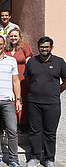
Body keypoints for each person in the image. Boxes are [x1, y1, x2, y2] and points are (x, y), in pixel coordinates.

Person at [24, 36, 66, 167]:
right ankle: (35, 157)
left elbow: (65, 81)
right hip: (34, 102)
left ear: (51, 48)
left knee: (50, 133)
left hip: (52, 103)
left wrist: (55, 91)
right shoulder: (32, 61)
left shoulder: (59, 62)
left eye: (47, 47)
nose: (44, 49)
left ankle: (49, 159)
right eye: (42, 47)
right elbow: (28, 79)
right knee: (34, 131)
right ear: (38, 48)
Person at [0, 36, 23, 167]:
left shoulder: (11, 61)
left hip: (8, 99)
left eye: (0, 44)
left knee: (12, 129)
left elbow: (16, 81)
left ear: (4, 45)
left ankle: (14, 159)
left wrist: (18, 99)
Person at [4, 28, 33, 125]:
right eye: (11, 36)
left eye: (15, 36)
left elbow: (28, 60)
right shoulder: (6, 48)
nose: (13, 38)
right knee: (10, 100)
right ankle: (11, 123)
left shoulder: (24, 45)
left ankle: (22, 123)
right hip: (9, 78)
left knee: (21, 98)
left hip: (21, 77)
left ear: (19, 37)